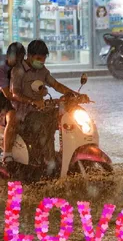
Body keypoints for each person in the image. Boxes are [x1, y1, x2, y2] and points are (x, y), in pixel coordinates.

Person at [7, 39, 88, 167]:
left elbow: (55, 84)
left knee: (66, 118)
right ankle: (49, 161)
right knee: (45, 124)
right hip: (24, 114)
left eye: (43, 59)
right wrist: (32, 102)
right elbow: (14, 94)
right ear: (30, 56)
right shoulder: (18, 70)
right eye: (39, 58)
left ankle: (65, 155)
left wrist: (76, 96)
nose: (41, 62)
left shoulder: (42, 70)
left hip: (40, 110)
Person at [0, 42, 26, 167]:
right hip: (4, 103)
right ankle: (7, 154)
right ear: (8, 56)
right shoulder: (2, 69)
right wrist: (29, 100)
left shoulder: (21, 68)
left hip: (18, 100)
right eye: (17, 58)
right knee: (13, 117)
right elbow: (8, 94)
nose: (19, 61)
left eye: (21, 58)